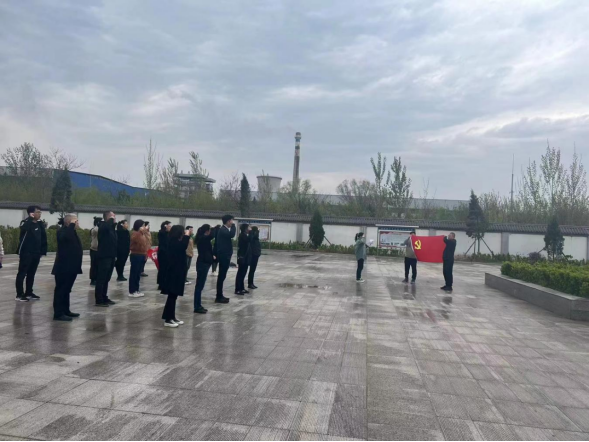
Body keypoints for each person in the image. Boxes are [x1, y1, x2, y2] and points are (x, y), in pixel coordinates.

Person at [52, 215, 82, 321]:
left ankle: (66, 310)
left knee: (67, 290)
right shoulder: (62, 231)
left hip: (72, 267)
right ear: (69, 223)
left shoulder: (72, 232)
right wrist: (71, 225)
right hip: (63, 267)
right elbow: (65, 238)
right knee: (61, 290)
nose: (77, 223)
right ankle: (58, 313)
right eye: (76, 221)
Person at [15, 205, 47, 302]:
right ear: (31, 213)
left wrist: (43, 251)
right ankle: (19, 294)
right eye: (38, 212)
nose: (39, 214)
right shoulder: (25, 222)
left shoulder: (40, 224)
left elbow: (43, 238)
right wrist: (30, 219)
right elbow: (24, 229)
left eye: (40, 212)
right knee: (22, 273)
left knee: (31, 273)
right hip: (26, 253)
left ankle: (29, 292)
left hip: (36, 253)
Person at [162, 225, 191, 328]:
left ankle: (171, 316)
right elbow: (183, 246)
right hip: (174, 272)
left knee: (174, 296)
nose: (183, 233)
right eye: (182, 232)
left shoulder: (176, 241)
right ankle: (168, 319)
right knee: (172, 295)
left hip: (178, 271)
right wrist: (187, 236)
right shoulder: (173, 242)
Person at [95, 211, 118, 307]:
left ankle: (104, 297)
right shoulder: (103, 225)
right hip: (104, 256)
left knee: (107, 278)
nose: (115, 218)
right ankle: (99, 299)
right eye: (113, 216)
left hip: (111, 256)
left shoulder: (111, 228)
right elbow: (106, 227)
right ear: (108, 218)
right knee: (101, 278)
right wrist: (111, 219)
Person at [213, 215, 236, 304]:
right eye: (231, 221)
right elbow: (232, 235)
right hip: (223, 255)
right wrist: (234, 226)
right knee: (221, 276)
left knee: (222, 276)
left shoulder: (224, 229)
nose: (232, 222)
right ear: (228, 221)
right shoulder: (223, 230)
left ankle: (220, 295)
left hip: (225, 255)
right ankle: (218, 296)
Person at [194, 224, 214, 314]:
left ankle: (198, 305)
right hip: (203, 264)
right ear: (207, 231)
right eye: (209, 230)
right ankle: (197, 306)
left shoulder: (203, 238)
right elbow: (211, 236)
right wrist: (214, 228)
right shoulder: (203, 238)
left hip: (204, 263)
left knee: (200, 286)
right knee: (199, 286)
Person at [129, 220, 150, 298]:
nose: (144, 227)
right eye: (143, 225)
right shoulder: (135, 234)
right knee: (134, 274)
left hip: (142, 254)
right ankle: (132, 291)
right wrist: (141, 232)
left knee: (138, 274)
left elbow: (146, 242)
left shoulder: (142, 234)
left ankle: (136, 289)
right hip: (136, 255)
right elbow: (139, 242)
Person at [235, 223, 252, 295]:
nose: (249, 229)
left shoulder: (244, 235)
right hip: (242, 257)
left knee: (243, 273)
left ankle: (242, 288)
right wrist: (251, 232)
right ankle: (238, 289)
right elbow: (249, 240)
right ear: (245, 229)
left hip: (245, 257)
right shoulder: (242, 235)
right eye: (248, 228)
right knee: (240, 273)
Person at [157, 221, 172, 294]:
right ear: (165, 226)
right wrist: (164, 229)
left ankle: (165, 283)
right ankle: (161, 284)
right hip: (162, 254)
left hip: (167, 254)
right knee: (162, 269)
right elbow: (163, 241)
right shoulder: (161, 233)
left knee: (166, 269)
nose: (170, 227)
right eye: (169, 226)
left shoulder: (169, 234)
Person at [89, 216, 101, 286]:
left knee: (99, 265)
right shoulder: (93, 230)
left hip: (100, 250)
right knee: (94, 265)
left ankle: (97, 278)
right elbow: (96, 230)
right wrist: (97, 225)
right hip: (94, 249)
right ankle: (93, 279)